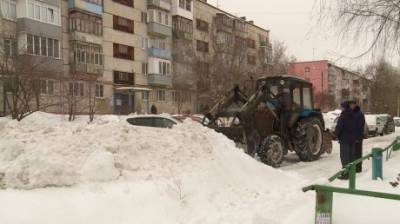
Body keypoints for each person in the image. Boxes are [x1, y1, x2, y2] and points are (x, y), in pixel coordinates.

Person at [335, 101, 357, 179]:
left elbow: (339, 127)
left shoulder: (343, 116)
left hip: (345, 140)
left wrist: (336, 134)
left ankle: (346, 174)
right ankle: (351, 173)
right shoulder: (353, 115)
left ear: (344, 107)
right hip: (352, 140)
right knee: (351, 156)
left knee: (345, 157)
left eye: (341, 107)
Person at [351, 101, 365, 173]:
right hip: (352, 137)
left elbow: (360, 126)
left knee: (358, 153)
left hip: (357, 137)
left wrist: (357, 137)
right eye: (350, 105)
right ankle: (355, 167)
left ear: (355, 105)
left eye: (353, 104)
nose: (351, 106)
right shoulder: (352, 113)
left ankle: (358, 168)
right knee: (353, 153)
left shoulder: (359, 114)